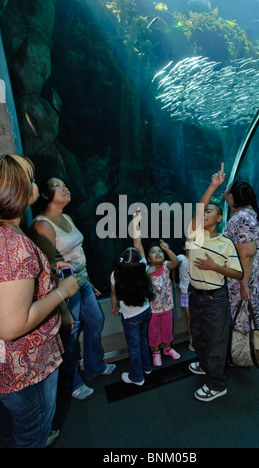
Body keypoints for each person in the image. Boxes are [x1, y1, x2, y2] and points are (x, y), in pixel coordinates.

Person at [0, 153, 79, 448]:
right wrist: (63, 291)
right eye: (30, 180)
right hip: (26, 366)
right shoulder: (13, 244)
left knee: (12, 427)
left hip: (7, 367)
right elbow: (11, 325)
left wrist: (43, 271)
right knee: (33, 430)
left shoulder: (8, 232)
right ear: (18, 190)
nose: (36, 184)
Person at [29, 177, 115, 401]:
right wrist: (62, 308)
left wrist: (88, 279)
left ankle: (95, 366)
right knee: (69, 336)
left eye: (65, 184)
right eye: (57, 186)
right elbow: (46, 271)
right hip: (64, 289)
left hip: (81, 282)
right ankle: (73, 383)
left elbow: (77, 253)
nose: (65, 187)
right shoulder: (42, 225)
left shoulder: (66, 217)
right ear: (46, 196)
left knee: (96, 321)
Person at [188, 163, 243, 402]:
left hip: (214, 299)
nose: (205, 214)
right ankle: (204, 365)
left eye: (211, 211)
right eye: (205, 211)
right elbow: (197, 212)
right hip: (195, 295)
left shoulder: (226, 244)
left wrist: (214, 267)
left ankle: (217, 384)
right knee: (199, 336)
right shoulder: (194, 235)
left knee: (215, 342)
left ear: (219, 218)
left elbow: (238, 274)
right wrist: (213, 186)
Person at [110, 210, 153, 386]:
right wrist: (136, 222)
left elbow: (114, 294)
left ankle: (137, 377)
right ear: (138, 261)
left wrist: (114, 307)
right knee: (143, 340)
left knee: (133, 346)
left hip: (130, 317)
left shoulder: (115, 276)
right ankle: (147, 367)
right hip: (145, 311)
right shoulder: (143, 268)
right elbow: (137, 242)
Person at [223, 178, 259, 332]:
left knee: (244, 322)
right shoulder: (250, 214)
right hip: (250, 279)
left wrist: (243, 285)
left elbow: (247, 254)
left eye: (228, 192)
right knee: (252, 320)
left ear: (231, 197)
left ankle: (249, 355)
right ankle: (255, 352)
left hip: (243, 281)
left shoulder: (240, 219)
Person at [147, 240, 180, 366]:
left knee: (167, 329)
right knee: (154, 331)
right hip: (153, 309)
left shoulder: (166, 266)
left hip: (167, 307)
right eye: (153, 252)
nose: (157, 253)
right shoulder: (147, 269)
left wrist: (167, 249)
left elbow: (176, 263)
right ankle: (156, 353)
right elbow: (141, 282)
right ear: (148, 259)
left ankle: (168, 349)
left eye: (160, 251)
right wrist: (147, 274)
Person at [173, 240, 194, 351]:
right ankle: (192, 339)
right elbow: (173, 265)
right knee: (189, 316)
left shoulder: (197, 256)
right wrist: (173, 280)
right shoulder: (181, 258)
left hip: (197, 291)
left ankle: (200, 339)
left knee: (199, 317)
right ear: (183, 246)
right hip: (185, 290)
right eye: (188, 243)